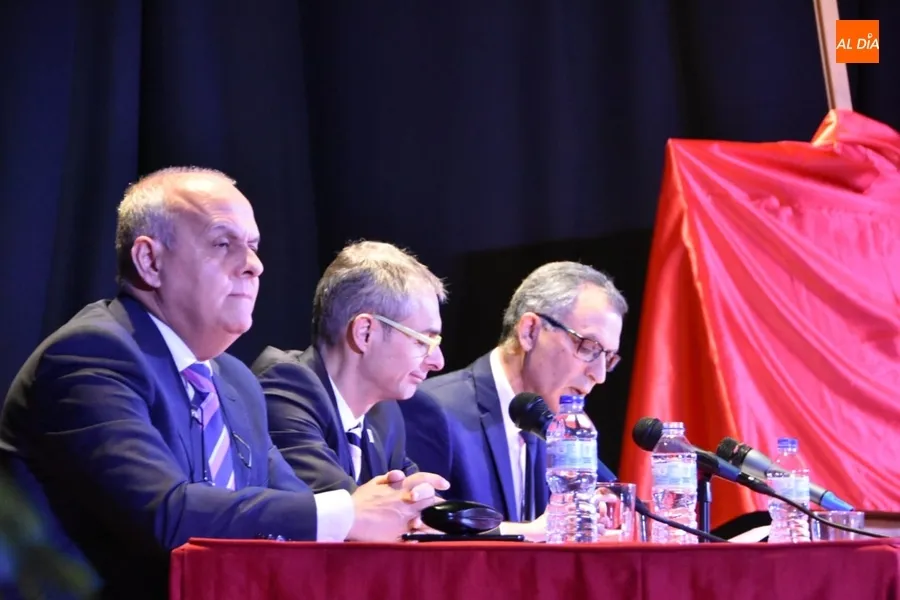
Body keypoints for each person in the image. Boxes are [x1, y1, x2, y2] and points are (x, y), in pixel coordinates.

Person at [0, 167, 447, 598]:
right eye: (223, 243)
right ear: (150, 261)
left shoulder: (233, 379)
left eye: (253, 246)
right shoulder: (92, 355)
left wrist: (390, 510)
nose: (253, 265)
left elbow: (290, 504)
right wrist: (349, 512)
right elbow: (167, 517)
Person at [399, 261, 626, 538]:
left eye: (609, 358)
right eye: (589, 347)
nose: (599, 374)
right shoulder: (433, 410)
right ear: (530, 331)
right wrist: (531, 533)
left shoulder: (558, 428)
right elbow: (416, 529)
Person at [251, 241, 445, 495]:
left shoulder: (385, 415)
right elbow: (344, 511)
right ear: (365, 333)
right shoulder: (286, 389)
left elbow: (419, 505)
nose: (438, 361)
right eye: (422, 341)